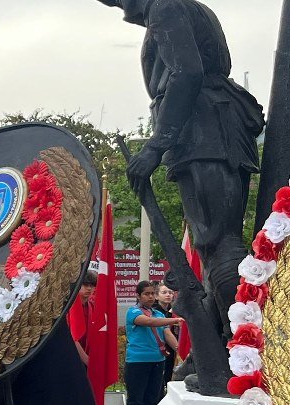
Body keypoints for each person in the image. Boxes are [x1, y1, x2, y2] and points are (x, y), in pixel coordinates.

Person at [99, 0, 264, 347]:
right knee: (211, 246)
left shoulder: (165, 5)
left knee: (218, 242)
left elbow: (187, 73)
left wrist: (156, 145)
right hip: (208, 128)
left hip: (205, 129)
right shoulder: (177, 6)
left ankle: (246, 351)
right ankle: (223, 350)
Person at [125, 280, 181, 405]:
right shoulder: (133, 312)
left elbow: (166, 333)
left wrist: (180, 350)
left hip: (157, 361)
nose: (150, 297)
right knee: (136, 399)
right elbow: (148, 322)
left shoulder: (157, 313)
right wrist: (174, 319)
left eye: (152, 294)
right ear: (138, 295)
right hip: (137, 362)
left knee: (151, 399)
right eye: (146, 294)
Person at [69, 271, 108, 405]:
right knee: (71, 404)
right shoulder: (69, 307)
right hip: (70, 362)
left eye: (92, 286)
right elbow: (72, 336)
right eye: (85, 285)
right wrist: (85, 359)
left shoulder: (93, 307)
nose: (89, 290)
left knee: (91, 403)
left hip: (89, 362)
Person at [153, 281, 180, 389]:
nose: (168, 295)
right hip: (160, 347)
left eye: (170, 292)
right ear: (157, 296)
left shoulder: (173, 311)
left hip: (171, 348)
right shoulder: (155, 312)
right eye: (164, 292)